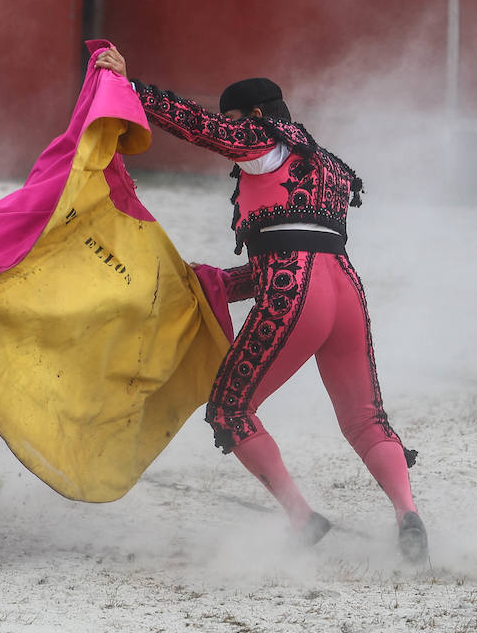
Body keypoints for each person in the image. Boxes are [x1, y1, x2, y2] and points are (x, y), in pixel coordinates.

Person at [92, 48, 428, 562]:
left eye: (235, 122)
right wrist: (220, 285)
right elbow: (299, 244)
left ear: (253, 117)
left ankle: (302, 517)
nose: (232, 137)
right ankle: (408, 513)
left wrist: (130, 89)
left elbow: (202, 129)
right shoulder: (329, 166)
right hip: (344, 288)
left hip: (297, 289)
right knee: (365, 418)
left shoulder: (264, 139)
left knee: (231, 407)